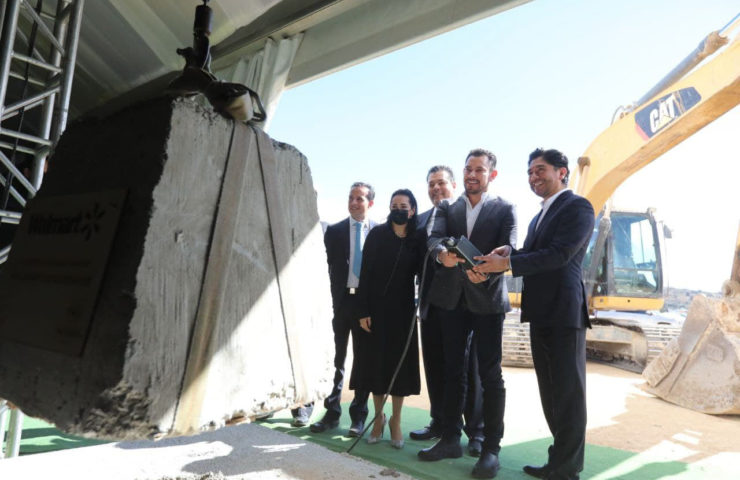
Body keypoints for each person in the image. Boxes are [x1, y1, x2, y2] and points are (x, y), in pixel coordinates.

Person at [473, 148, 594, 480]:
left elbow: (559, 255)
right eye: (529, 172)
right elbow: (536, 254)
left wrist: (509, 264)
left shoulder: (578, 207)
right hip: (541, 312)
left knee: (568, 395)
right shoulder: (539, 215)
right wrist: (509, 252)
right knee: (552, 392)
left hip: (564, 313)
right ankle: (558, 461)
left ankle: (568, 470)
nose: (533, 177)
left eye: (540, 170)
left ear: (562, 172)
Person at [421, 149, 516, 479]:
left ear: (492, 174)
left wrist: (492, 267)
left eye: (479, 169)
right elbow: (434, 239)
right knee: (452, 370)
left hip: (487, 300)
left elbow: (511, 247)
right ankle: (449, 438)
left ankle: (490, 449)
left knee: (490, 375)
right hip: (451, 299)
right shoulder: (448, 207)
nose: (472, 175)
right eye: (468, 169)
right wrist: (442, 255)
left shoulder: (505, 208)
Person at [412, 165, 485, 457]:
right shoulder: (419, 222)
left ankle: (476, 432)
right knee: (435, 364)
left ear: (453, 185)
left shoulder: (461, 213)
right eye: (431, 184)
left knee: (469, 369)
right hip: (430, 303)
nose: (435, 189)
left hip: (464, 304)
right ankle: (440, 422)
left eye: (441, 183)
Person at [352, 189, 422, 449]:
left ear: (412, 210)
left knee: (399, 369)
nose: (399, 209)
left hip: (403, 313)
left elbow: (425, 272)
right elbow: (365, 274)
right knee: (376, 366)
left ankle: (396, 420)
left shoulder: (418, 238)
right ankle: (378, 417)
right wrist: (363, 311)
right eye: (395, 204)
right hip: (376, 312)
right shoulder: (377, 235)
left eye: (404, 205)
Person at [310, 182, 376, 436]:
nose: (354, 202)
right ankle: (331, 412)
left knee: (363, 361)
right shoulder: (335, 231)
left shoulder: (378, 232)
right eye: (351, 198)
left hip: (365, 306)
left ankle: (359, 416)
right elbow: (322, 267)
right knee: (335, 361)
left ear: (370, 203)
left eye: (359, 199)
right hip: (339, 303)